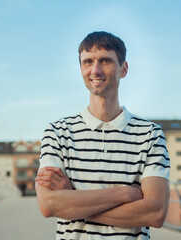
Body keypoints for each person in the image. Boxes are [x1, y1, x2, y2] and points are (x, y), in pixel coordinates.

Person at [35, 31, 170, 240]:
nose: (95, 70)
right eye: (87, 62)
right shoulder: (57, 132)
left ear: (123, 69)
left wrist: (74, 203)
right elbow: (49, 205)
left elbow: (155, 212)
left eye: (105, 60)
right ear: (81, 69)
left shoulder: (150, 134)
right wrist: (126, 194)